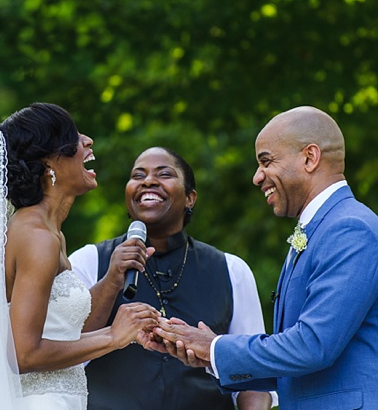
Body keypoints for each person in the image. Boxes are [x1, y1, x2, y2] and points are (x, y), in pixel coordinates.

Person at [154, 106, 378, 409]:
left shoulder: (350, 228)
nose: (257, 177)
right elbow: (295, 365)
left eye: (266, 161)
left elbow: (312, 345)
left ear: (310, 158)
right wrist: (208, 357)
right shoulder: (319, 229)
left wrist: (215, 347)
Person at [0, 103, 160, 410]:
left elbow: (67, 337)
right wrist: (114, 337)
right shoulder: (37, 237)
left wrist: (113, 278)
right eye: (73, 137)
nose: (87, 141)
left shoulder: (51, 235)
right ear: (49, 162)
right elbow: (24, 354)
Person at [69, 146, 275, 409]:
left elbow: (252, 376)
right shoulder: (89, 260)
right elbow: (65, 352)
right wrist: (111, 279)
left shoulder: (232, 270)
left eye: (164, 174)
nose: (148, 181)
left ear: (190, 198)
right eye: (138, 175)